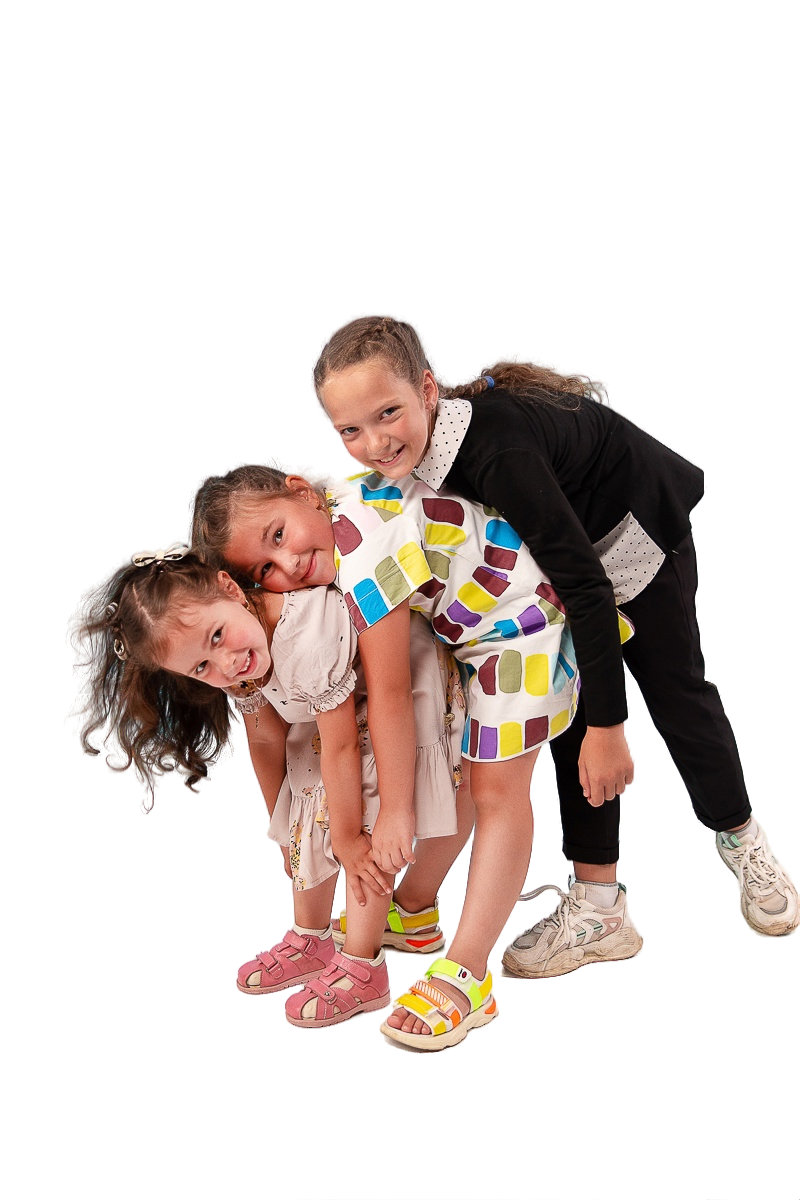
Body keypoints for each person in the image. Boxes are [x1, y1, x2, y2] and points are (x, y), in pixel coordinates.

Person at [312, 314, 799, 975]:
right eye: (350, 430)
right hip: (557, 575)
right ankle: (600, 908)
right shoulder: (419, 459)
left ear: (427, 390)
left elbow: (590, 587)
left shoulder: (497, 457)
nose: (374, 442)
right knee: (571, 721)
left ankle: (743, 841)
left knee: (674, 693)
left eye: (387, 413)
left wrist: (608, 728)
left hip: (627, 539)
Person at [197, 465, 632, 1051]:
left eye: (279, 535)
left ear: (301, 491)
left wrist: (396, 813)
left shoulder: (364, 557)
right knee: (464, 773)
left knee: (496, 791)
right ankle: (415, 911)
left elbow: (391, 693)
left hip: (522, 624)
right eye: (265, 570)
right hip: (467, 629)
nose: (289, 566)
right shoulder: (337, 510)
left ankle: (469, 974)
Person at [85, 545, 467, 1029]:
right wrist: (284, 828)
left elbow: (344, 749)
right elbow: (266, 738)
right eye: (201, 667)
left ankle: (363, 962)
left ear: (230, 589)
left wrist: (347, 839)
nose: (226, 664)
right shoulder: (237, 662)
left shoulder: (305, 636)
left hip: (396, 691)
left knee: (363, 809)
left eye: (217, 636)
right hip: (335, 708)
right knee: (306, 780)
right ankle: (311, 936)